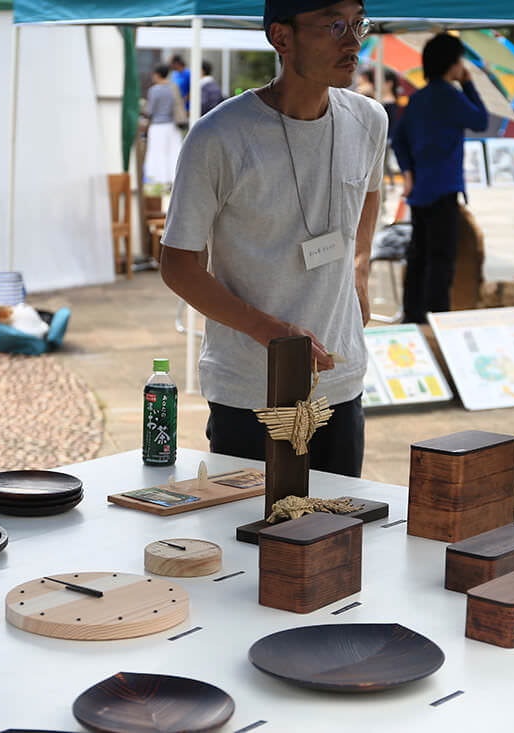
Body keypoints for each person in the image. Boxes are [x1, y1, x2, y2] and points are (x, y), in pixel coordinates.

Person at [159, 0, 387, 478]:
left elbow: (370, 190)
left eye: (358, 23)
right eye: (334, 25)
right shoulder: (219, 136)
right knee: (248, 523)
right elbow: (177, 265)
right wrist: (267, 330)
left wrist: (360, 268)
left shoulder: (369, 120)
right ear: (281, 37)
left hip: (341, 379)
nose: (353, 42)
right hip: (250, 386)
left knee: (338, 522)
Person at [391, 33, 488, 322]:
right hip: (444, 191)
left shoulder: (417, 99)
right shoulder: (451, 96)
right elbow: (481, 121)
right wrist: (467, 84)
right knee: (442, 259)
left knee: (418, 256)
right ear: (452, 63)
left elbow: (398, 140)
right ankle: (438, 319)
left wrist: (408, 173)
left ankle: (413, 317)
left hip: (420, 192)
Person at [143, 65, 184, 188]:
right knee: (173, 153)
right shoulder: (173, 88)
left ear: (157, 75)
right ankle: (172, 179)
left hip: (157, 126)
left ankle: (158, 180)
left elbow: (150, 110)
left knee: (157, 153)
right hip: (172, 126)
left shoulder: (154, 90)